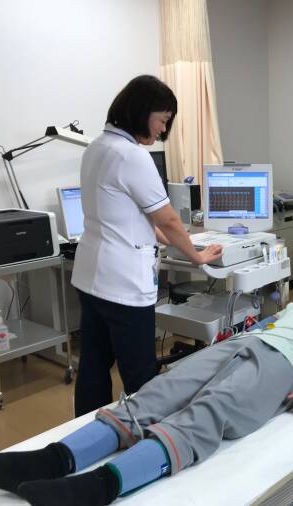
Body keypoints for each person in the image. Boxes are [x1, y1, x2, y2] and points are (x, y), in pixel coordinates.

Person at [0, 278, 293, 506]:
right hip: (245, 343)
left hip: (288, 362)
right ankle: (49, 460)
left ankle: (100, 487)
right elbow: (264, 325)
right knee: (159, 390)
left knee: (212, 409)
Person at [70, 75, 222, 417]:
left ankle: (86, 434)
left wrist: (177, 245)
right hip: (122, 284)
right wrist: (197, 257)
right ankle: (147, 437)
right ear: (140, 111)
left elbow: (135, 219)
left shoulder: (97, 147)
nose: (162, 130)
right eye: (162, 120)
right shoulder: (132, 156)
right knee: (140, 371)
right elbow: (167, 220)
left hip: (91, 277)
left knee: (94, 365)